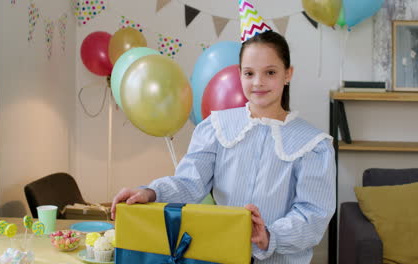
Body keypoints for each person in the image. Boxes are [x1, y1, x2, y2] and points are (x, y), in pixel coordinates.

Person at [111, 29, 336, 264]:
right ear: (239, 74)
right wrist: (151, 192)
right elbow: (190, 182)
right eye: (249, 73)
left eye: (270, 72)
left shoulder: (313, 145)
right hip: (220, 257)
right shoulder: (217, 127)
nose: (258, 82)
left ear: (288, 74)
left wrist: (268, 235)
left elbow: (313, 214)